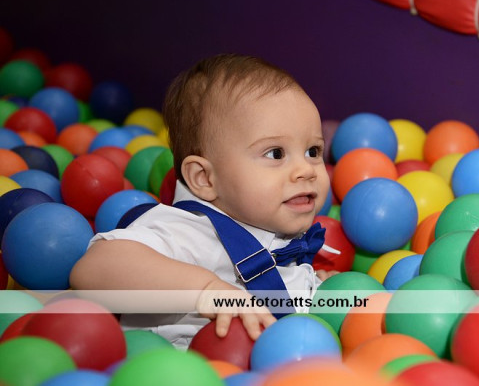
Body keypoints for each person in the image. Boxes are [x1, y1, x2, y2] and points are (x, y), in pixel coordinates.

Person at [70, 54, 337, 349]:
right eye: (275, 154)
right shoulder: (190, 231)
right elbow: (92, 269)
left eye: (313, 151)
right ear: (205, 178)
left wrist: (310, 286)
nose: (305, 170)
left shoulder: (281, 229)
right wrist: (205, 290)